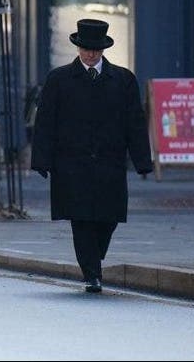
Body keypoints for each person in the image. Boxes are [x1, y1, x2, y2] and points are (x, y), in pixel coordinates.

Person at [31, 18, 152, 294]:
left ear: (103, 50)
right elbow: (46, 121)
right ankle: (92, 274)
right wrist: (41, 159)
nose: (90, 54)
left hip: (109, 162)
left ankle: (93, 261)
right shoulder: (59, 79)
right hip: (71, 163)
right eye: (86, 49)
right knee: (81, 218)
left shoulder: (123, 80)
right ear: (78, 48)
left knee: (108, 219)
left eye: (95, 50)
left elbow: (135, 121)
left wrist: (142, 161)